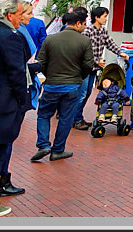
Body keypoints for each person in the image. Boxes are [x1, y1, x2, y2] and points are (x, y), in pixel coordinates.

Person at [31, 11, 95, 163]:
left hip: (51, 85)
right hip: (72, 85)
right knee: (66, 118)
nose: (85, 27)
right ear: (78, 23)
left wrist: (48, 75)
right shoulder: (84, 41)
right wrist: (79, 76)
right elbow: (88, 65)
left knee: (44, 114)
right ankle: (58, 150)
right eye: (84, 24)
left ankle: (43, 145)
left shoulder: (50, 39)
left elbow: (41, 62)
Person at [0, 0, 31, 205]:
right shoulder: (10, 37)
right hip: (5, 101)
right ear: (10, 16)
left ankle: (1, 181)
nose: (21, 19)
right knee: (2, 143)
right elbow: (16, 71)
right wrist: (21, 98)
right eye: (20, 14)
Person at [74, 6, 129, 130]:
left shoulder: (103, 30)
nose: (106, 19)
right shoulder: (87, 31)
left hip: (94, 68)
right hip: (84, 68)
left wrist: (121, 53)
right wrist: (96, 61)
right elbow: (82, 52)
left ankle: (77, 117)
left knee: (87, 93)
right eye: (104, 16)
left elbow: (110, 43)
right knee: (82, 94)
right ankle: (76, 119)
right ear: (96, 17)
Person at [16, 1, 43, 110]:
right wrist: (34, 66)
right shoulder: (17, 33)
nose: (32, 16)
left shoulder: (23, 30)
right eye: (29, 13)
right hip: (23, 79)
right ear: (20, 15)